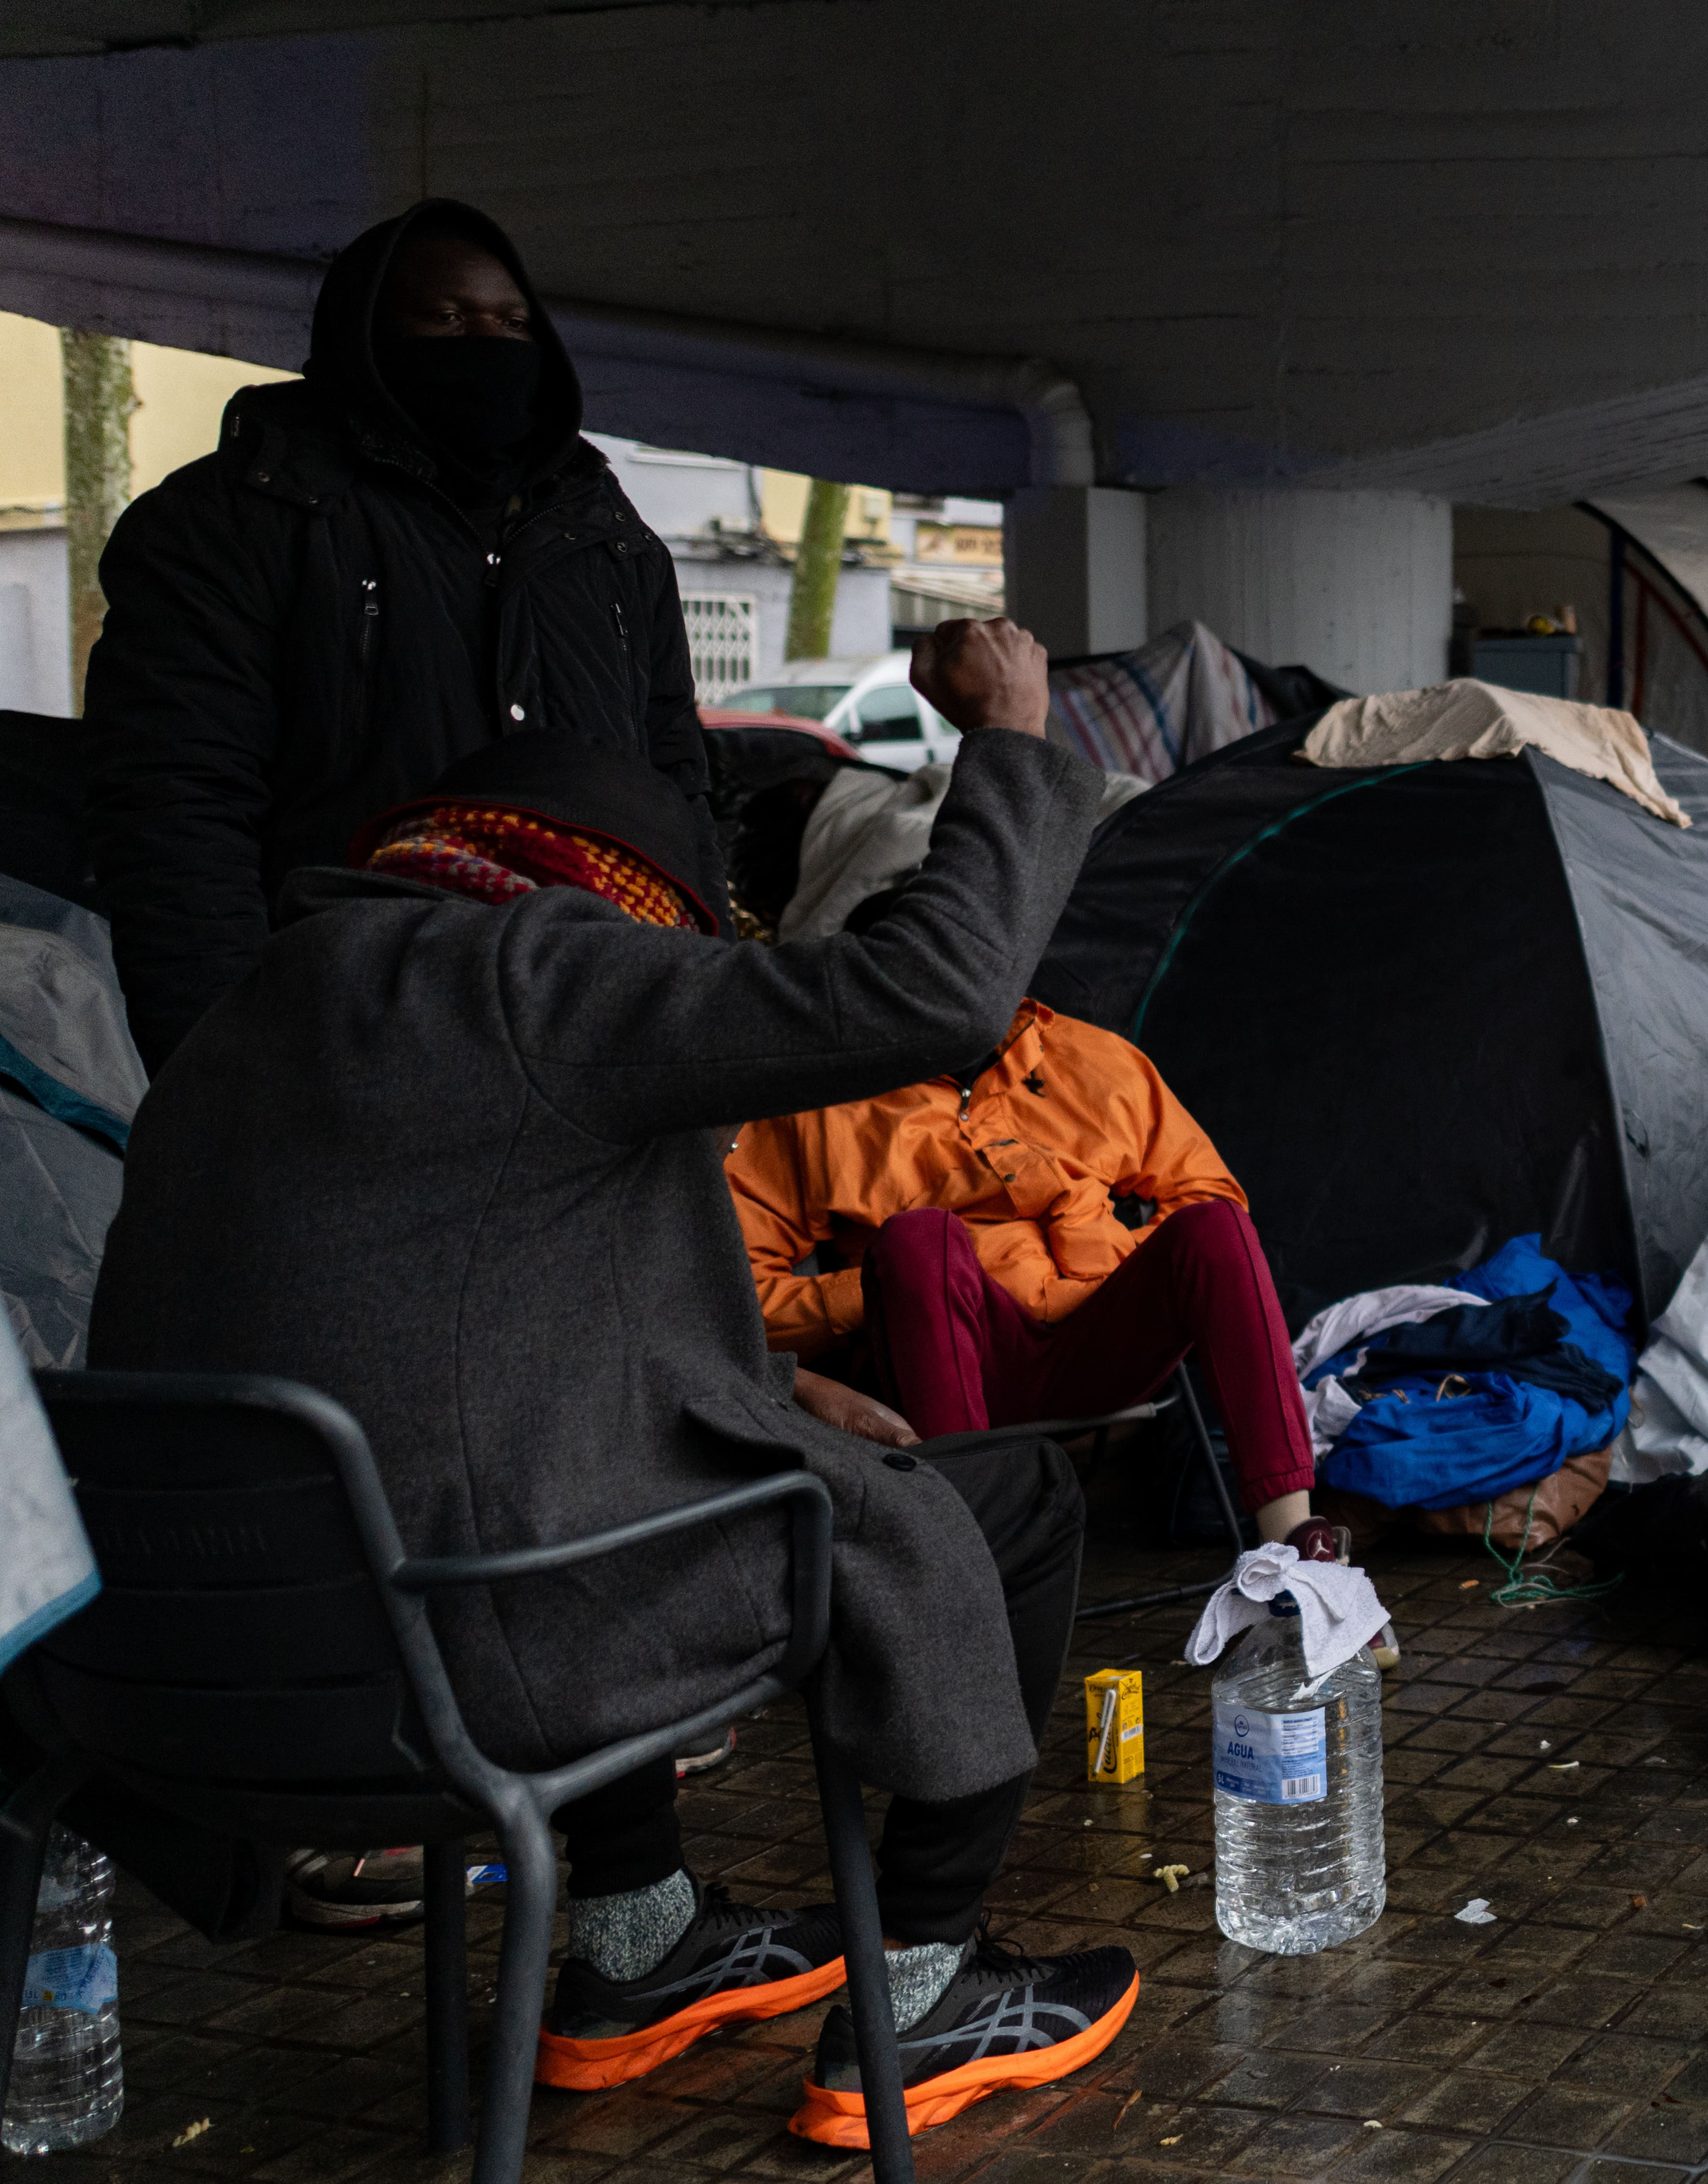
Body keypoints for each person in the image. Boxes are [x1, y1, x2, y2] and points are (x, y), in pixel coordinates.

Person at [89, 621, 1135, 2144]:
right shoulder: (543, 964)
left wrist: (770, 1382)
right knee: (1007, 1498)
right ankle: (924, 1971)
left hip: (192, 1689)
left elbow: (478, 1323)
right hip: (468, 1663)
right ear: (629, 897)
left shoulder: (266, 1002)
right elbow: (938, 995)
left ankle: (639, 1940)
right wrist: (1013, 737)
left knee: (625, 1465)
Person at [82, 197, 715, 1072]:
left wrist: (704, 1008)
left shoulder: (607, 541)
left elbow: (676, 786)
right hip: (345, 1033)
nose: (487, 345)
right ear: (366, 334)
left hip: (591, 1033)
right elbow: (178, 805)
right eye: (447, 318)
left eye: (513, 322)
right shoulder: (233, 521)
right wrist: (218, 1063)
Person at [722, 999, 1329, 1550]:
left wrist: (1108, 1260)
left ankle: (1297, 1551)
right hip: (942, 1365)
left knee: (1214, 1226)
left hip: (1100, 1342)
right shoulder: (819, 1105)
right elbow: (735, 1294)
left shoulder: (1089, 1056)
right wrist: (878, 1290)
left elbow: (1206, 1191)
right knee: (918, 1240)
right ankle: (976, 1555)